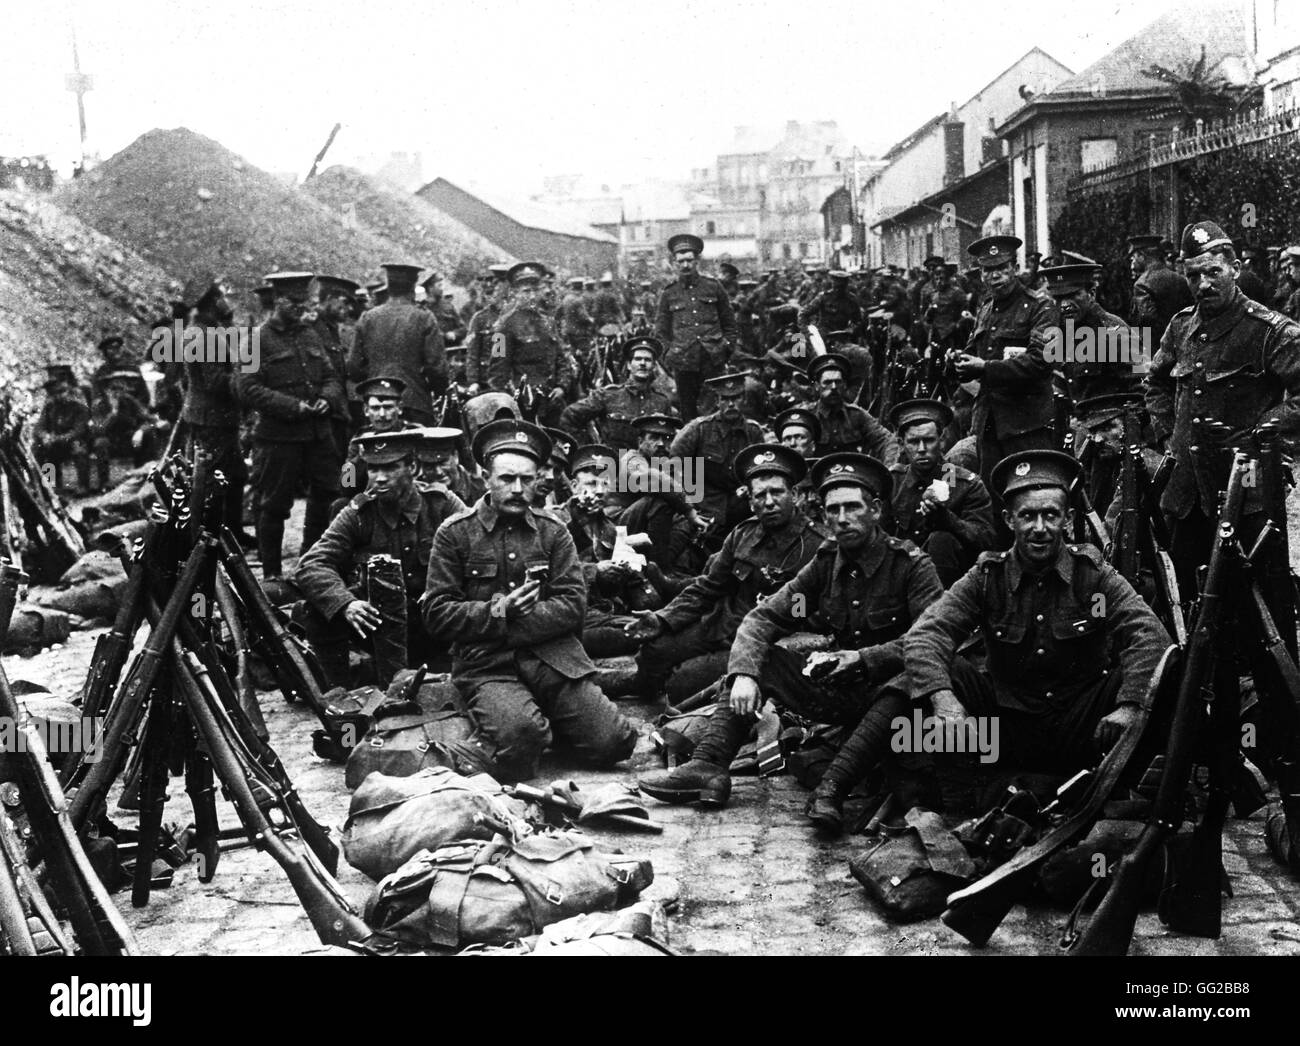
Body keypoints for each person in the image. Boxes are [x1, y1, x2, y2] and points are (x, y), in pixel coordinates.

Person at [637, 452, 943, 814]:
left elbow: (931, 640)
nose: (842, 520)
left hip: (892, 700)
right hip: (843, 689)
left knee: (906, 681)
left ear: (875, 510)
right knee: (761, 663)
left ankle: (832, 791)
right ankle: (708, 767)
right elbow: (763, 617)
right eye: (833, 511)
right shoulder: (826, 561)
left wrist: (865, 658)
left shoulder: (912, 566)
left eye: (852, 508)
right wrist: (745, 674)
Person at [896, 450, 1168, 778]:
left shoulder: (1093, 577)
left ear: (1067, 520)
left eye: (1050, 515)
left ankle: (1131, 785)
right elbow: (928, 633)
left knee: (1165, 676)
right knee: (931, 677)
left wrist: (1130, 705)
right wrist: (943, 700)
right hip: (1001, 734)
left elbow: (1147, 633)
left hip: (1082, 731)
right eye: (1027, 516)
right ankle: (938, 788)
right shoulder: (986, 577)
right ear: (1010, 520)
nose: (1039, 528)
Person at [421, 419, 638, 782]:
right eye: (506, 479)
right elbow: (437, 612)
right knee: (521, 743)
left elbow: (572, 606)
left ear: (540, 479)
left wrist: (505, 627)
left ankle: (549, 721)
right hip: (488, 667)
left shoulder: (554, 532)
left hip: (554, 661)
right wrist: (498, 610)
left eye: (527, 479)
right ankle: (513, 722)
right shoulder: (456, 533)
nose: (518, 489)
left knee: (615, 744)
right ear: (484, 476)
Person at [1144, 219, 1300, 594]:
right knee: (1188, 596)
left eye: (1214, 272)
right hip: (1185, 496)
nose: (1203, 284)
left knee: (1254, 603)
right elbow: (1154, 383)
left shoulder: (1270, 331)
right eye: (1194, 275)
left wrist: (1267, 433)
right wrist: (1168, 437)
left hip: (1246, 490)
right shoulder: (1180, 327)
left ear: (1235, 269)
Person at [615, 443, 830, 701]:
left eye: (777, 492)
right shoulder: (743, 534)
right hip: (722, 624)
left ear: (793, 494)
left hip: (765, 641)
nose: (769, 502)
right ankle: (638, 686)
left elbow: (809, 614)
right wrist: (662, 618)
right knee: (655, 649)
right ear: (750, 501)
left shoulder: (819, 546)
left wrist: (781, 618)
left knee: (682, 682)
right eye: (760, 495)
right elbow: (707, 587)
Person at [293, 431, 465, 689]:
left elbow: (479, 545)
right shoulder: (358, 512)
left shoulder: (441, 504)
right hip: (379, 623)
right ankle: (342, 694)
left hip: (433, 621)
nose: (380, 478)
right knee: (318, 611)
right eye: (373, 469)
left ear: (413, 467)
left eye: (391, 468)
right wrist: (346, 603)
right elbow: (310, 564)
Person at [238, 271, 345, 579]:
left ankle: (312, 561)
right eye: (294, 302)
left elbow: (331, 377)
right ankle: (271, 573)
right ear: (278, 301)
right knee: (273, 506)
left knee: (329, 494)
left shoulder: (310, 335)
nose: (301, 308)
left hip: (317, 435)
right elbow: (248, 388)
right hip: (278, 438)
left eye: (304, 302)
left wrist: (327, 398)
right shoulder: (255, 340)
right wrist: (292, 407)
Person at [951, 235, 1059, 496]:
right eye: (988, 270)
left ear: (1014, 267)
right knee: (993, 494)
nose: (995, 276)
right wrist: (957, 359)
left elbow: (1040, 361)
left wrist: (985, 367)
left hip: (1026, 423)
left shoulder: (1040, 306)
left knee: (1031, 495)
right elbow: (971, 351)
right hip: (989, 422)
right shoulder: (986, 308)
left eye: (1001, 268)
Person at [887, 399, 996, 587]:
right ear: (902, 444)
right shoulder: (893, 482)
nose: (922, 449)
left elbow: (986, 539)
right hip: (900, 576)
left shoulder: (964, 483)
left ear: (942, 439)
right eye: (913, 442)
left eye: (929, 440)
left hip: (952, 581)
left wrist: (948, 521)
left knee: (942, 539)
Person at [179, 277, 248, 538]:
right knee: (214, 476)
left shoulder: (202, 330)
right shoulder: (204, 336)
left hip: (210, 414)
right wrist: (245, 384)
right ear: (214, 301)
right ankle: (209, 535)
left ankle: (232, 531)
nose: (227, 302)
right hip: (213, 417)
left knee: (236, 473)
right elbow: (214, 381)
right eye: (223, 297)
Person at [348, 263, 447, 425]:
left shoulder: (368, 318)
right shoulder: (424, 317)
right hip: (415, 403)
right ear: (413, 285)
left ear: (389, 286)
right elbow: (437, 369)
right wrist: (437, 392)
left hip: (376, 406)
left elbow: (354, 368)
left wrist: (376, 373)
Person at [669, 371, 765, 533]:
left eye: (736, 398)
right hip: (704, 507)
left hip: (741, 507)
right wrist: (689, 504)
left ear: (744, 399)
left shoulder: (754, 432)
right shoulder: (698, 429)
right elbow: (673, 468)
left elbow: (761, 472)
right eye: (725, 399)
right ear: (717, 401)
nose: (731, 404)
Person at [655, 233, 737, 420]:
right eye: (681, 261)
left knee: (716, 409)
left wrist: (726, 347)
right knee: (688, 410)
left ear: (697, 260)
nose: (685, 265)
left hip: (713, 359)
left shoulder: (713, 287)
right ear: (674, 263)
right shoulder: (669, 293)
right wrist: (669, 355)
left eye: (689, 260)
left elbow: (730, 323)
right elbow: (660, 331)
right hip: (683, 361)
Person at [488, 263, 574, 427]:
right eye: (526, 291)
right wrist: (507, 404)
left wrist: (562, 386)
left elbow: (561, 357)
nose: (533, 296)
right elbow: (497, 372)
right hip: (523, 404)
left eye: (536, 290)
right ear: (514, 293)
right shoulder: (503, 326)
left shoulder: (547, 321)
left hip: (552, 400)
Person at [1041, 262, 1139, 403]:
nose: (1064, 305)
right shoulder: (1057, 330)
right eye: (1058, 298)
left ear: (1091, 293)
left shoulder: (1115, 331)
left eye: (1072, 295)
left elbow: (1142, 385)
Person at [559, 335, 676, 449]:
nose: (642, 363)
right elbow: (570, 416)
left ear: (654, 366)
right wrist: (588, 450)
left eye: (648, 360)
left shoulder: (662, 402)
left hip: (648, 466)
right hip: (614, 464)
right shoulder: (609, 395)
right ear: (629, 365)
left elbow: (668, 439)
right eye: (638, 359)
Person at [338, 376, 421, 502]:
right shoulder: (360, 438)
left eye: (388, 407)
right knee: (340, 504)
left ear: (399, 408)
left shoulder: (415, 433)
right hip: (374, 500)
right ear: (366, 410)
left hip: (409, 498)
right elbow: (345, 484)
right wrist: (360, 458)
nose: (382, 414)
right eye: (375, 408)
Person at [807, 353, 899, 462]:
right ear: (817, 386)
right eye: (827, 382)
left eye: (838, 382)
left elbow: (886, 440)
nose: (834, 387)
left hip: (854, 475)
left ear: (845, 385)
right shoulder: (808, 416)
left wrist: (890, 467)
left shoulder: (857, 415)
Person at [89, 372, 165, 490]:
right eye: (113, 389)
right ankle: (104, 484)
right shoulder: (99, 405)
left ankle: (143, 476)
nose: (117, 393)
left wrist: (140, 431)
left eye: (120, 389)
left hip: (128, 439)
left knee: (148, 435)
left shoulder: (129, 401)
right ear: (106, 390)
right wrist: (113, 414)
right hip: (110, 441)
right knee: (100, 443)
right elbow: (100, 429)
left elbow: (148, 419)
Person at [1127, 233, 1193, 347]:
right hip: (1182, 343)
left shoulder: (1142, 284)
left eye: (1134, 257)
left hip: (1156, 348)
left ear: (1142, 256)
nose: (1133, 261)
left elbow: (1146, 323)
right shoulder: (1180, 279)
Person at [32, 367, 91, 493]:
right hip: (56, 444)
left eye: (62, 392)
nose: (59, 396)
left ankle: (83, 485)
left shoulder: (79, 407)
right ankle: (50, 485)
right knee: (40, 448)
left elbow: (78, 431)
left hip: (74, 442)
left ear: (68, 391)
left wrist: (56, 439)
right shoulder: (50, 407)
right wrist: (45, 436)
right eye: (55, 393)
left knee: (78, 448)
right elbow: (39, 427)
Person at [414, 425, 485, 506]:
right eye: (429, 466)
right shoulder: (416, 494)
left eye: (443, 463)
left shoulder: (482, 488)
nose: (438, 472)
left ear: (455, 457)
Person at [798, 269, 862, 342]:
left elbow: (858, 320)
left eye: (842, 287)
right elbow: (803, 314)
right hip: (822, 337)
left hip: (843, 337)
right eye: (836, 286)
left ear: (846, 284)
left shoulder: (851, 299)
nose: (838, 290)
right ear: (832, 284)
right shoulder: (823, 297)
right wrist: (807, 332)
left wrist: (851, 329)